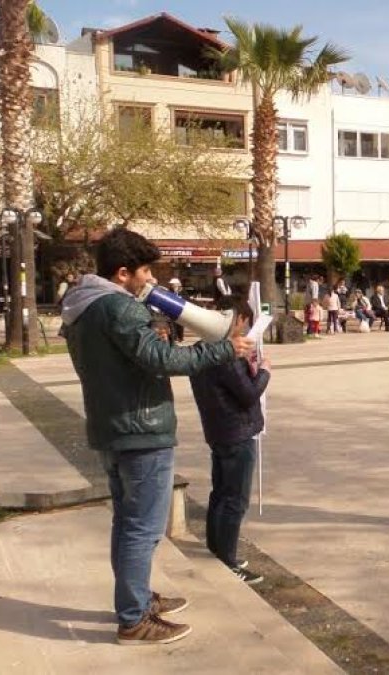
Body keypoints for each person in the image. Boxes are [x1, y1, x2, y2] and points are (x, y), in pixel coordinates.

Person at [61, 228, 253, 645]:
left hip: (112, 427)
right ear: (123, 272)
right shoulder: (118, 308)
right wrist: (223, 349)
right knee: (143, 529)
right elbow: (162, 360)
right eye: (144, 270)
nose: (150, 279)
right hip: (141, 430)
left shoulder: (81, 307)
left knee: (126, 523)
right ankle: (133, 618)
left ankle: (137, 598)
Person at [190, 296, 270, 585]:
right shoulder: (223, 354)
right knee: (235, 498)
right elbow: (248, 393)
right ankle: (227, 558)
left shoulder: (200, 350)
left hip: (218, 430)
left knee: (220, 493)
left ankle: (217, 549)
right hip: (237, 432)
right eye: (244, 322)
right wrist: (264, 372)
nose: (245, 329)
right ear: (234, 319)